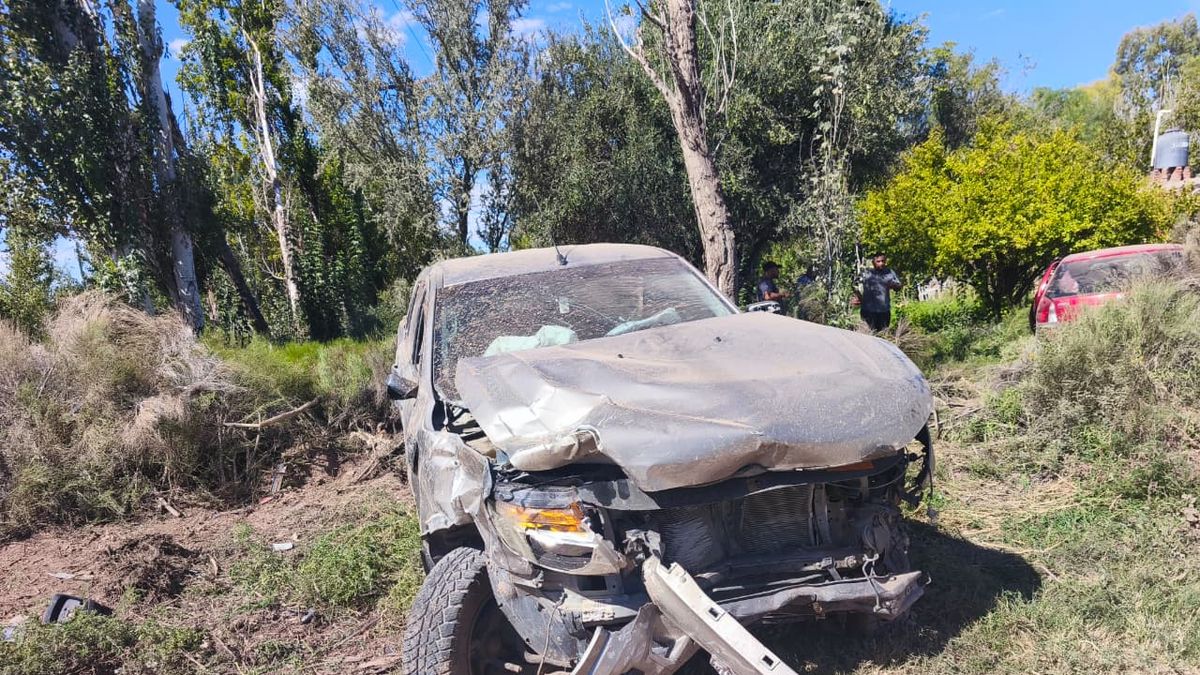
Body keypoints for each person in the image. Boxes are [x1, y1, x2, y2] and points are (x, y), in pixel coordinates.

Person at [859, 254, 902, 331]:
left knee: (882, 335)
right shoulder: (866, 273)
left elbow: (899, 286)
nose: (881, 263)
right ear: (873, 262)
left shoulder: (889, 272)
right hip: (868, 310)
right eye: (878, 261)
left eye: (883, 261)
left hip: (884, 311)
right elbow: (854, 286)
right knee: (869, 336)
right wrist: (858, 298)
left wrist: (894, 286)